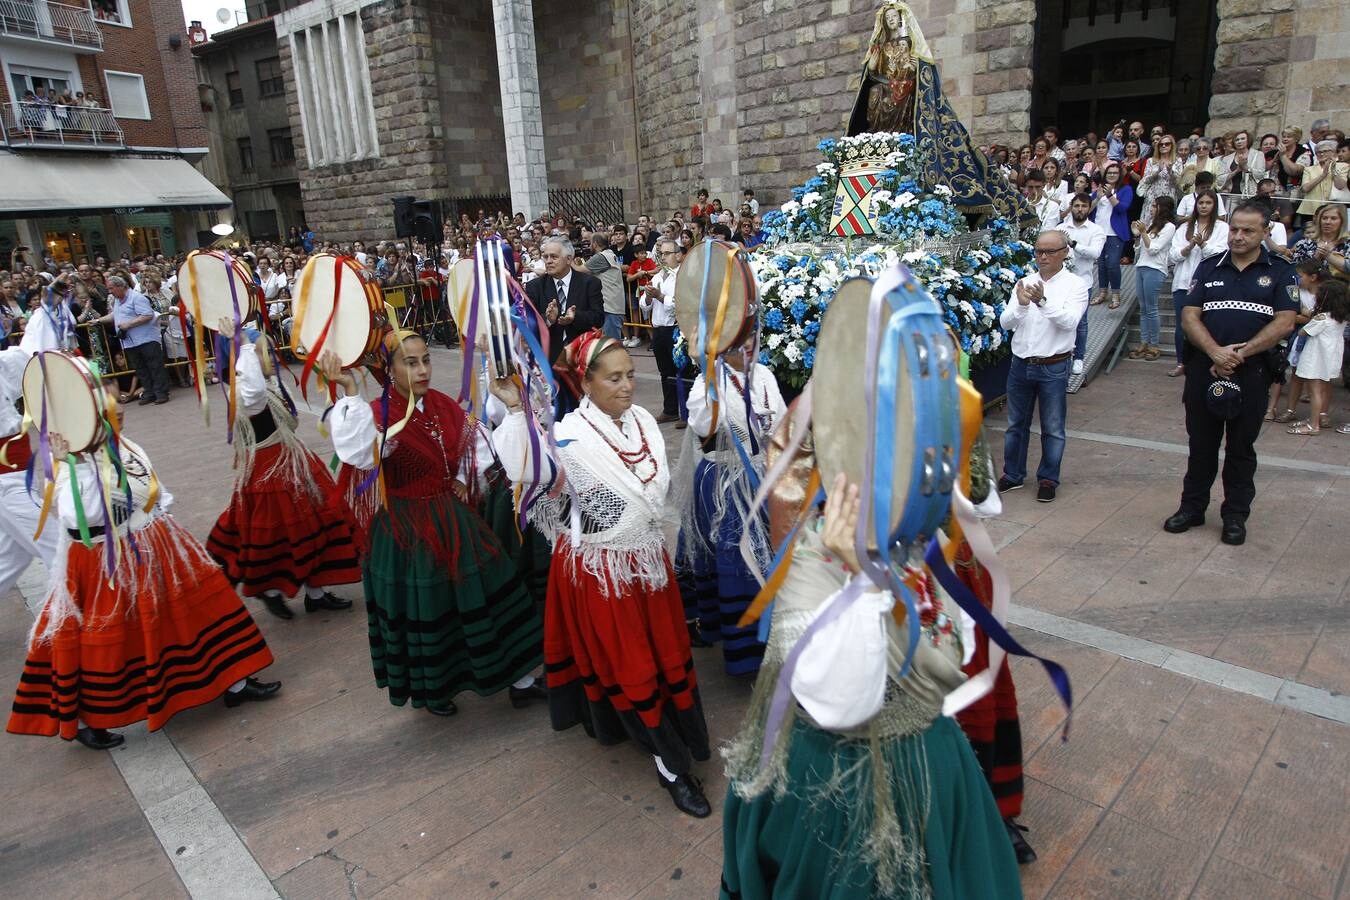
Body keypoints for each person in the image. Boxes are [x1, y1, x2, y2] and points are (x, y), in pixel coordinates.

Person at [720, 451, 1022, 899]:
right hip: (835, 787)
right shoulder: (812, 560)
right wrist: (865, 577)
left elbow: (958, 648)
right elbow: (843, 702)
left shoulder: (921, 543)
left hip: (927, 762)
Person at [490, 331, 713, 817]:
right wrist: (515, 412)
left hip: (648, 565)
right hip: (603, 574)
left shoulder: (643, 425)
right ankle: (671, 766)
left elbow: (652, 491)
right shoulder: (567, 437)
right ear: (584, 382)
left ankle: (674, 738)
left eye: (631, 374)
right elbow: (527, 468)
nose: (628, 386)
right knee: (634, 664)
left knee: (663, 655)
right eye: (614, 378)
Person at [7, 421, 279, 751]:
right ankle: (85, 719)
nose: (116, 407)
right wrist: (77, 467)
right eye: (103, 403)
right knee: (101, 640)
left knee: (201, 610)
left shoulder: (120, 445)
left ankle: (234, 683)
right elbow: (85, 516)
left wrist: (153, 520)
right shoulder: (68, 467)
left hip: (152, 540)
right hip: (101, 562)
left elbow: (154, 490)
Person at [322, 331, 545, 717]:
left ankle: (521, 680)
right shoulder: (380, 415)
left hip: (453, 517)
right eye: (411, 363)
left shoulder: (442, 404)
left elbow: (476, 447)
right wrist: (351, 396)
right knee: (430, 606)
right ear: (388, 369)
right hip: (408, 529)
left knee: (492, 586)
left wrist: (461, 477)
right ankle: (437, 689)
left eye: (426, 359)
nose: (423, 369)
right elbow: (359, 455)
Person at [205, 320, 360, 620]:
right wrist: (242, 344)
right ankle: (271, 590)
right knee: (278, 535)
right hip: (269, 471)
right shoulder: (247, 391)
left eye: (269, 350)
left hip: (293, 461)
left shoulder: (271, 382)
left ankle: (315, 594)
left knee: (316, 523)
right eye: (263, 352)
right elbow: (255, 392)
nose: (271, 356)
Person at [1163, 201, 1298, 546]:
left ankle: (1235, 516)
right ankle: (1192, 508)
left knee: (1241, 448)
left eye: (1247, 230)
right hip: (1204, 369)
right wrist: (1215, 352)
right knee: (1201, 444)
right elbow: (1189, 316)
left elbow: (1285, 321)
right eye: (1234, 229)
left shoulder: (1281, 271)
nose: (1238, 236)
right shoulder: (1209, 267)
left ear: (1265, 232)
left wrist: (1240, 353)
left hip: (1251, 372)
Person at [673, 349, 785, 677]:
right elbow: (703, 422)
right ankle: (744, 651)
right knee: (737, 558)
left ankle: (769, 633)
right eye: (740, 333)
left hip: (761, 478)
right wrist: (708, 371)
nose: (748, 343)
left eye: (753, 332)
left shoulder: (763, 376)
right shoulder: (708, 382)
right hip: (723, 482)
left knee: (768, 553)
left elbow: (778, 427)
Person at [998, 230, 1089, 502]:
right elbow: (1005, 323)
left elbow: (1070, 322)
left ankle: (1048, 478)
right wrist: (1023, 306)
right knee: (1016, 424)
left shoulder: (1075, 285)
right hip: (1020, 364)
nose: (1042, 257)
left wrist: (1042, 302)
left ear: (1064, 252)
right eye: (1038, 251)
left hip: (1053, 366)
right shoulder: (1025, 281)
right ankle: (1013, 474)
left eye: (1049, 251)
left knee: (1052, 426)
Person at [0, 345, 60, 594]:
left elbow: (36, 355)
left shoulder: (6, 360)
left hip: (18, 472)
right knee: (58, 545)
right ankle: (70, 620)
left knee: (12, 558)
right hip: (6, 481)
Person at [1167, 190, 1229, 377]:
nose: (1204, 206)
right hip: (1183, 282)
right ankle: (1181, 362)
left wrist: (1203, 245)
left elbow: (1221, 254)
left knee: (1206, 324)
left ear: (1214, 205)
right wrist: (1189, 247)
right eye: (1201, 203)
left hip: (1209, 282)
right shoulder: (1185, 227)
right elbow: (1172, 255)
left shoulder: (1222, 228)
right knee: (1182, 325)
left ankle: (1204, 360)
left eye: (1208, 203)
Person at [524, 237, 604, 363]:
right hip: (548, 359)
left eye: (554, 257)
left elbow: (598, 318)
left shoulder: (589, 283)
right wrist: (548, 319)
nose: (548, 261)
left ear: (568, 259)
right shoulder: (535, 286)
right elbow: (528, 321)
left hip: (581, 356)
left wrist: (575, 317)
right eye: (545, 257)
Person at [1285, 279, 1348, 435]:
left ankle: (1313, 425)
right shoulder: (1341, 318)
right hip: (1330, 357)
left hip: (1316, 358)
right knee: (1322, 389)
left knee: (1314, 392)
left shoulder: (1322, 318)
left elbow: (1303, 332)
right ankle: (1316, 418)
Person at [99, 275, 171, 405]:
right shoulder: (117, 300)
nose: (110, 291)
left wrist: (128, 324)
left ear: (121, 287)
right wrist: (99, 320)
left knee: (154, 366)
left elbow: (147, 315)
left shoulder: (137, 298)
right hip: (130, 342)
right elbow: (115, 315)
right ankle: (149, 392)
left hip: (146, 338)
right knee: (140, 369)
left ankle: (161, 392)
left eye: (112, 288)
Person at [1055, 192, 1106, 376]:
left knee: (1081, 322)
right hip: (1060, 282)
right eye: (1076, 206)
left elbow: (1095, 253)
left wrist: (1073, 244)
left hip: (1083, 283)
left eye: (1084, 206)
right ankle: (1062, 354)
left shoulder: (1095, 230)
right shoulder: (1061, 227)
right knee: (1060, 319)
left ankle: (1079, 357)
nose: (1080, 209)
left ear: (1089, 208)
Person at [1129, 195, 1178, 361]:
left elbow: (1154, 249)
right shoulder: (1151, 226)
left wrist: (1143, 233)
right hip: (1142, 266)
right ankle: (1144, 342)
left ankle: (1154, 344)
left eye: (1155, 206)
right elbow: (1140, 249)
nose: (1151, 208)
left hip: (1155, 268)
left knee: (1151, 307)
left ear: (1163, 208)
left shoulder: (1170, 227)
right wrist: (1137, 235)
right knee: (1143, 308)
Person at [639, 239, 681, 424]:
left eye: (667, 253)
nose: (663, 257)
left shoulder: (681, 276)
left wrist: (660, 296)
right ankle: (670, 409)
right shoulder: (657, 276)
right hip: (659, 329)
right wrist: (648, 297)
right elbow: (644, 305)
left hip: (676, 328)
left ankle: (686, 412)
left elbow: (681, 304)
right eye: (660, 254)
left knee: (682, 370)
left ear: (678, 255)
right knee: (665, 372)